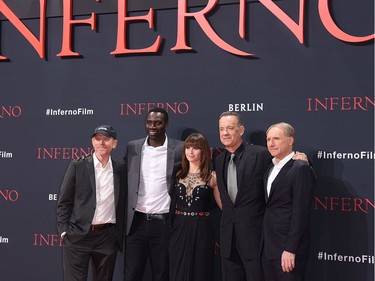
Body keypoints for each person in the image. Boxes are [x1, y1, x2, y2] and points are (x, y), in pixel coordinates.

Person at [214, 111, 309, 281]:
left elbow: (285, 166)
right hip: (228, 241)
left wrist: (300, 158)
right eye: (221, 129)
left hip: (256, 241)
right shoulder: (219, 160)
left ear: (241, 130)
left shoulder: (260, 154)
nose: (225, 133)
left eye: (230, 128)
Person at [56, 125, 126, 281]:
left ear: (114, 143)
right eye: (97, 139)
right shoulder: (78, 165)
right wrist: (64, 230)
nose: (101, 143)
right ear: (92, 142)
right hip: (78, 235)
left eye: (106, 139)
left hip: (107, 238)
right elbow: (64, 201)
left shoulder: (121, 170)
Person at [124, 107, 183, 281]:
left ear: (166, 125)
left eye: (157, 123)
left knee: (162, 274)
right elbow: (120, 172)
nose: (152, 126)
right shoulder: (133, 147)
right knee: (132, 273)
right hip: (136, 222)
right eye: (149, 122)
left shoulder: (180, 149)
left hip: (164, 223)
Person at [262, 122, 315, 281]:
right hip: (268, 248)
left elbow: (301, 212)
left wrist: (291, 249)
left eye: (276, 138)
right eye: (268, 139)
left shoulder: (300, 168)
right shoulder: (270, 168)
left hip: (288, 251)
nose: (271, 143)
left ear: (290, 141)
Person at [169, 132, 222, 281]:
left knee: (200, 268)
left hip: (202, 227)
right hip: (178, 226)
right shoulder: (178, 174)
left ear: (203, 151)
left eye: (195, 148)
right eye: (188, 147)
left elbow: (224, 206)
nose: (190, 151)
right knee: (177, 269)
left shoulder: (212, 177)